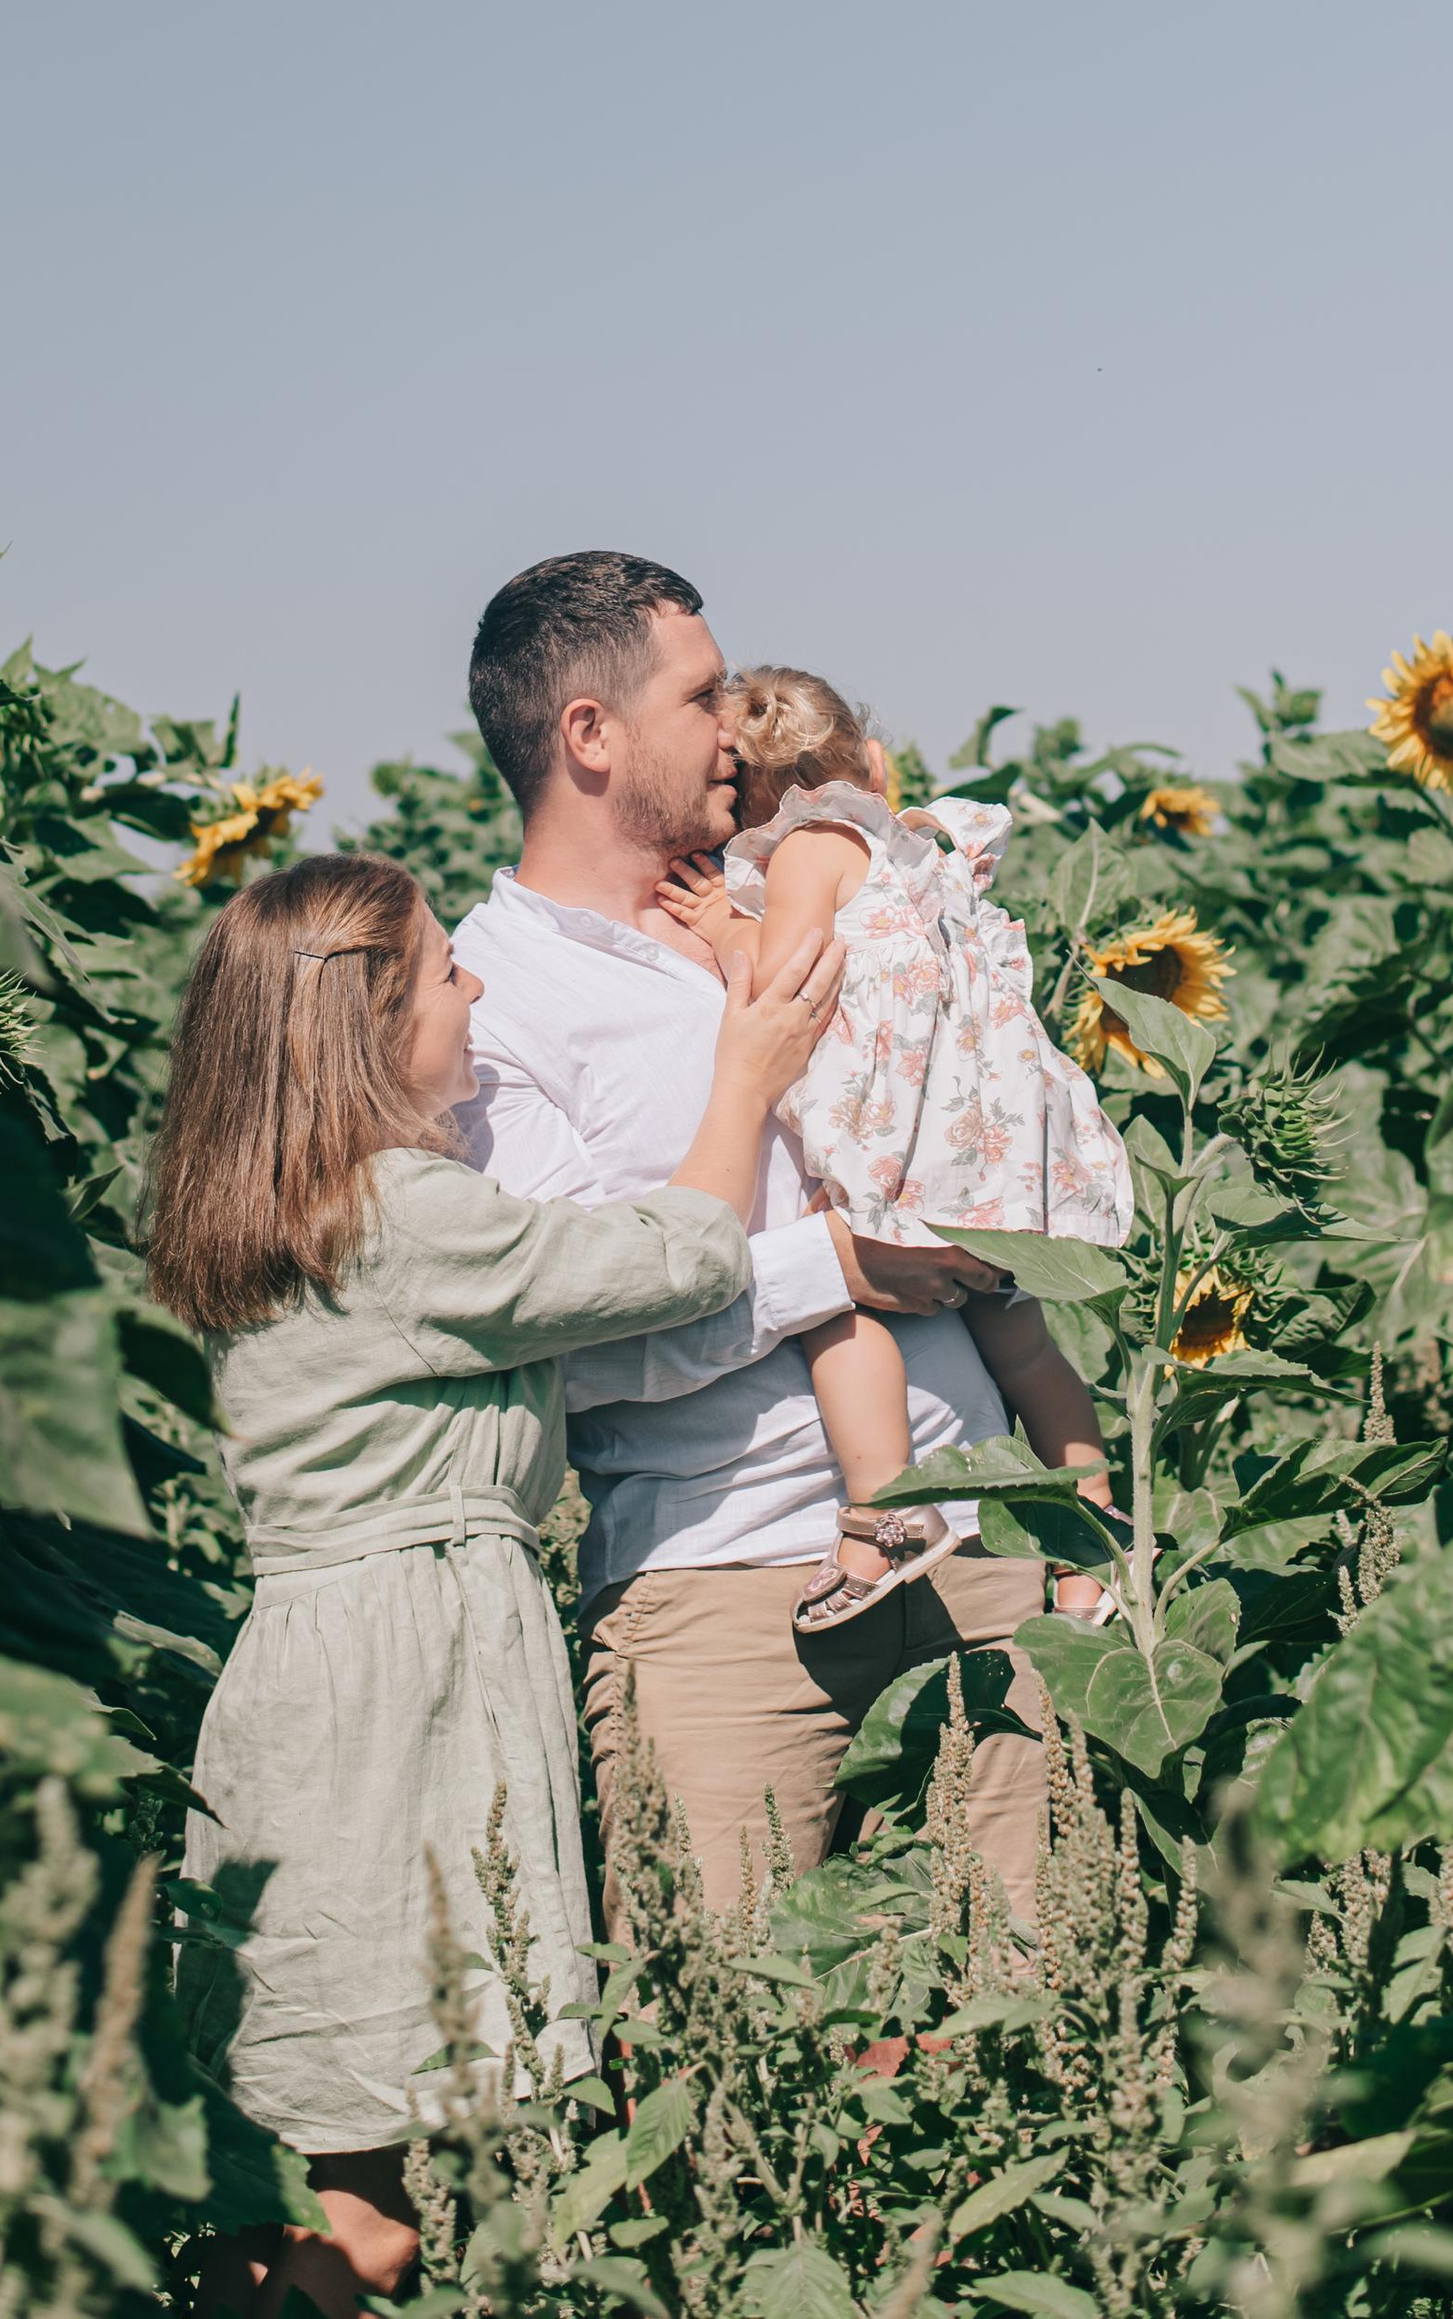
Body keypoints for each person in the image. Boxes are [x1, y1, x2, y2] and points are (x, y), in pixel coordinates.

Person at [149, 848, 843, 2314]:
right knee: (362, 2205)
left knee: (309, 2163)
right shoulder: (402, 1213)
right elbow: (670, 1259)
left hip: (334, 1679)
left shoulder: (299, 1209)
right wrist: (745, 1076)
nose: (475, 993)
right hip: (403, 1697)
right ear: (377, 1027)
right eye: (447, 975)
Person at [452, 551, 1056, 1920]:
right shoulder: (496, 1006)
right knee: (730, 2060)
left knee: (1043, 2022)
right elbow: (572, 1347)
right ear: (589, 735)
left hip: (980, 1541)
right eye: (703, 694)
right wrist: (834, 1270)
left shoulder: (795, 887)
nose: (737, 724)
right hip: (726, 1592)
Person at [654, 666, 1129, 1635]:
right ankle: (1095, 1550)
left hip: (905, 1137)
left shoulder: (803, 854)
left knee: (838, 1301)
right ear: (872, 761)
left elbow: (793, 984)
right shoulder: (923, 847)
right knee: (1026, 1347)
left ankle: (883, 1516)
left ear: (752, 806)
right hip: (992, 1141)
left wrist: (720, 933)